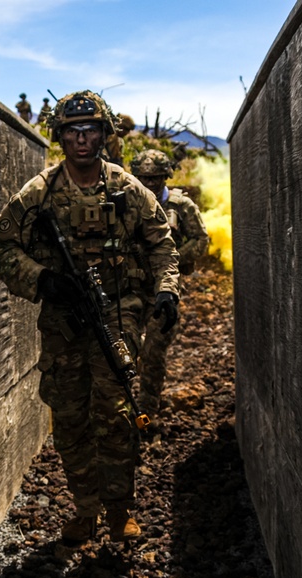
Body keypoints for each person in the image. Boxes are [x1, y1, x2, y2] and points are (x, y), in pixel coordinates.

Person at [0, 91, 180, 544]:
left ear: (103, 134)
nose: (81, 139)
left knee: (114, 412)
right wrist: (42, 280)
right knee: (70, 414)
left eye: (90, 130)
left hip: (118, 314)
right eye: (73, 131)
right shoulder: (40, 193)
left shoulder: (125, 189)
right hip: (62, 320)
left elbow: (161, 244)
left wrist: (167, 290)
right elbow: (2, 245)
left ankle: (118, 509)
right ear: (60, 136)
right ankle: (85, 508)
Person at [129, 149, 210, 417]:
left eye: (155, 178)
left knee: (153, 354)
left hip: (164, 290)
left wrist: (172, 258)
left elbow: (201, 241)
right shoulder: (127, 202)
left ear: (165, 176)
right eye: (143, 178)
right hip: (128, 288)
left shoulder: (181, 206)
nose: (149, 183)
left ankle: (147, 413)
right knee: (122, 350)